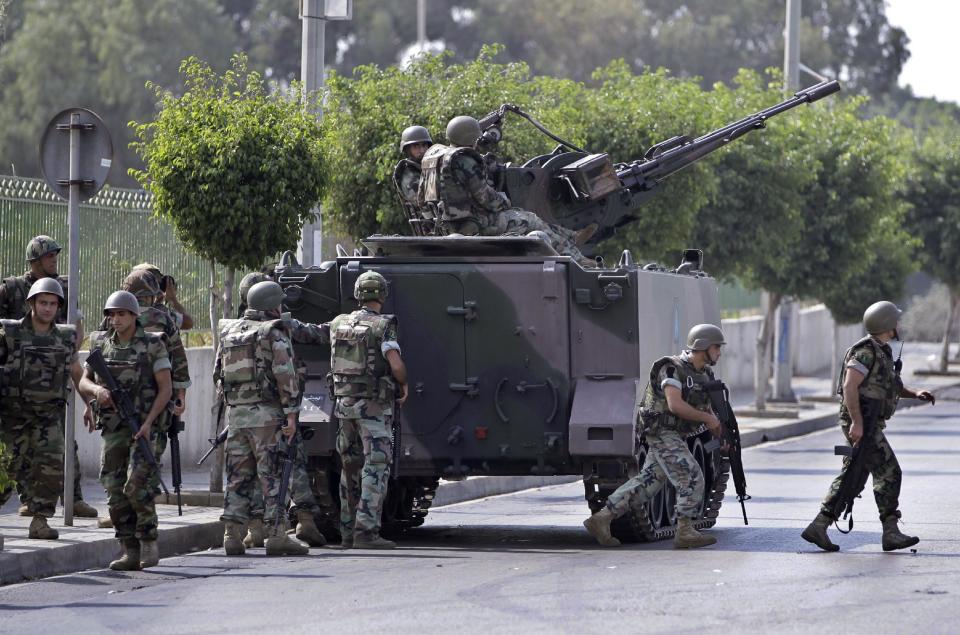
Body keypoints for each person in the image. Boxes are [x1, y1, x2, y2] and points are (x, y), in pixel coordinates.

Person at [801, 301, 936, 552]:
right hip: (863, 421)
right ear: (887, 325)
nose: (898, 325)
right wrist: (857, 423)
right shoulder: (865, 351)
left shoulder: (882, 351)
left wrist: (916, 392)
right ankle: (891, 531)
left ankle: (819, 526)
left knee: (855, 475)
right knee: (890, 470)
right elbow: (850, 386)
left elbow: (891, 387)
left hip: (869, 420)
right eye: (895, 321)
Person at [583, 324, 727, 549]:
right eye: (716, 347)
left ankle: (601, 519)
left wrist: (717, 427)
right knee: (691, 475)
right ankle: (685, 530)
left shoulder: (704, 374)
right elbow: (675, 404)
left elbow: (704, 406)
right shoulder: (671, 368)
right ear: (703, 347)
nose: (719, 352)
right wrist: (708, 419)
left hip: (675, 435)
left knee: (647, 484)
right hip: (661, 431)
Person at [0, 235, 96, 518]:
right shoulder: (13, 288)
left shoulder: (62, 287)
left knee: (61, 447)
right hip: (17, 390)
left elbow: (76, 326)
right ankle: (29, 499)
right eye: (48, 255)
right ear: (34, 260)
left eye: (55, 254)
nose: (54, 259)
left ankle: (71, 498)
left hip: (51, 378)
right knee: (12, 458)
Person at [232, 272, 329, 550]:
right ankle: (303, 520)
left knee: (249, 470)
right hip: (280, 407)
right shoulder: (278, 324)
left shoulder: (236, 328)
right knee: (286, 464)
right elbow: (315, 333)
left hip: (244, 409)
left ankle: (255, 528)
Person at [418, 116, 595, 264]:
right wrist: (504, 201)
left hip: (445, 226)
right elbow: (486, 198)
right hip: (473, 225)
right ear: (472, 137)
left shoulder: (433, 157)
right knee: (529, 219)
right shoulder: (464, 160)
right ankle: (577, 259)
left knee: (519, 215)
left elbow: (421, 199)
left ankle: (571, 238)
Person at [214, 280, 309, 556]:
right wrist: (291, 413)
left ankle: (231, 534)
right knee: (273, 475)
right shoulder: (273, 332)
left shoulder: (229, 331)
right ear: (273, 305)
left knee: (236, 477)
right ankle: (277, 534)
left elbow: (218, 375)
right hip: (268, 416)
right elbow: (285, 375)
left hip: (237, 416)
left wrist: (237, 403)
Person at [79, 291, 172, 570]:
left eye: (122, 314)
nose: (116, 319)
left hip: (144, 426)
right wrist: (97, 391)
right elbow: (84, 381)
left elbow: (166, 388)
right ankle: (128, 548)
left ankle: (148, 542)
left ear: (134, 316)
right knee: (112, 486)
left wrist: (147, 423)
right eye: (112, 314)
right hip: (112, 427)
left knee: (137, 484)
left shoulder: (153, 345)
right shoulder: (100, 343)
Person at [330, 271, 408, 549]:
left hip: (344, 407)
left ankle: (348, 532)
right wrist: (403, 383)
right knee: (375, 468)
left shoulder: (338, 323)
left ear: (358, 293)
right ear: (382, 295)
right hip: (374, 408)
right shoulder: (383, 325)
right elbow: (395, 364)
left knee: (349, 469)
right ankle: (367, 533)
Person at [0, 278, 81, 540]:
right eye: (43, 302)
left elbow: (76, 373)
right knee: (5, 470)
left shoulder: (66, 337)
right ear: (31, 303)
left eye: (53, 304)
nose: (48, 308)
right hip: (13, 416)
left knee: (50, 469)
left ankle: (40, 521)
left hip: (48, 418)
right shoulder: (9, 333)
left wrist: (91, 403)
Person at [393, 125, 434, 234]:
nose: (421, 150)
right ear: (407, 149)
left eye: (424, 145)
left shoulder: (424, 168)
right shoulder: (408, 175)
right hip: (428, 229)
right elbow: (422, 203)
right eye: (416, 146)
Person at [131, 263, 194, 330]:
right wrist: (173, 299)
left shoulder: (122, 309)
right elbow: (188, 323)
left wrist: (157, 301)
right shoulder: (160, 314)